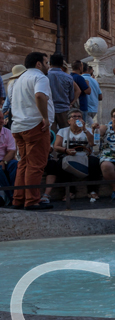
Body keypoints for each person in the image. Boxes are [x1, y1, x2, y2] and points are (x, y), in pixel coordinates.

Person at [10, 51, 54, 210]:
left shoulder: (18, 79)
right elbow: (40, 96)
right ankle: (32, 201)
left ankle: (18, 199)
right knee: (36, 165)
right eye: (46, 63)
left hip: (18, 126)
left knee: (24, 163)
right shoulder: (40, 77)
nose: (48, 66)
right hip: (36, 125)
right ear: (38, 64)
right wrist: (46, 118)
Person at [43, 109, 101, 203]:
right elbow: (56, 147)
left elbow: (93, 143)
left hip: (85, 155)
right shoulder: (63, 131)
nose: (77, 118)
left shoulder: (88, 130)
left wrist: (85, 129)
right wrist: (66, 150)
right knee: (60, 165)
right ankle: (69, 191)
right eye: (74, 117)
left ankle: (92, 190)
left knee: (94, 162)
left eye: (79, 117)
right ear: (69, 121)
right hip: (68, 155)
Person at [47, 54, 78, 130]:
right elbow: (71, 95)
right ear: (61, 64)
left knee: (51, 135)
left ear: (50, 63)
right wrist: (71, 103)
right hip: (64, 108)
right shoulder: (68, 77)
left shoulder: (44, 76)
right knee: (66, 133)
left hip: (49, 109)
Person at [0, 108, 17, 206]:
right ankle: (12, 197)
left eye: (2, 118)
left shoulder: (7, 132)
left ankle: (17, 195)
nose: (1, 121)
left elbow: (11, 151)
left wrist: (3, 162)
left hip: (6, 160)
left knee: (15, 165)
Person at [71, 61, 91, 125]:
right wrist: (87, 84)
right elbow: (88, 91)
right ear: (80, 68)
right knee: (81, 126)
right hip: (81, 105)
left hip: (72, 105)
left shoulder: (69, 76)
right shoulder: (79, 78)